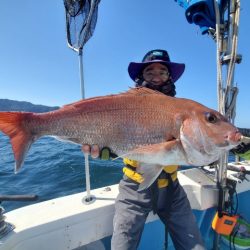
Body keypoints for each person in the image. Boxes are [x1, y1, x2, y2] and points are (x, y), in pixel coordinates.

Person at [83, 49, 206, 250]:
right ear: (141, 77)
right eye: (150, 72)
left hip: (172, 190)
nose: (157, 77)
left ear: (170, 77)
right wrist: (110, 149)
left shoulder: (183, 109)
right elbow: (110, 132)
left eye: (162, 72)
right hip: (133, 189)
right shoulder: (125, 105)